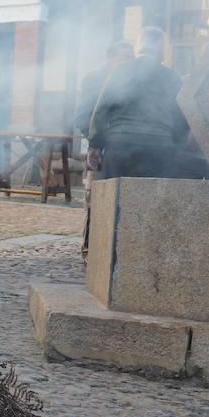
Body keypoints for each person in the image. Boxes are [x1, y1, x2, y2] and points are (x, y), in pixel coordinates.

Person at [88, 26, 188, 180]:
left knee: (117, 198)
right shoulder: (172, 78)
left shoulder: (119, 71)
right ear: (161, 51)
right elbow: (182, 116)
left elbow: (102, 109)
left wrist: (95, 145)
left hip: (120, 145)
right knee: (152, 200)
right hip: (159, 147)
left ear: (138, 48)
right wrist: (177, 146)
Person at [76, 40, 134, 257]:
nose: (129, 61)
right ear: (111, 58)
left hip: (122, 151)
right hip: (100, 150)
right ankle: (90, 251)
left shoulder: (132, 81)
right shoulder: (95, 80)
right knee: (96, 200)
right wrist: (96, 144)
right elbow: (84, 117)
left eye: (131, 57)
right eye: (124, 56)